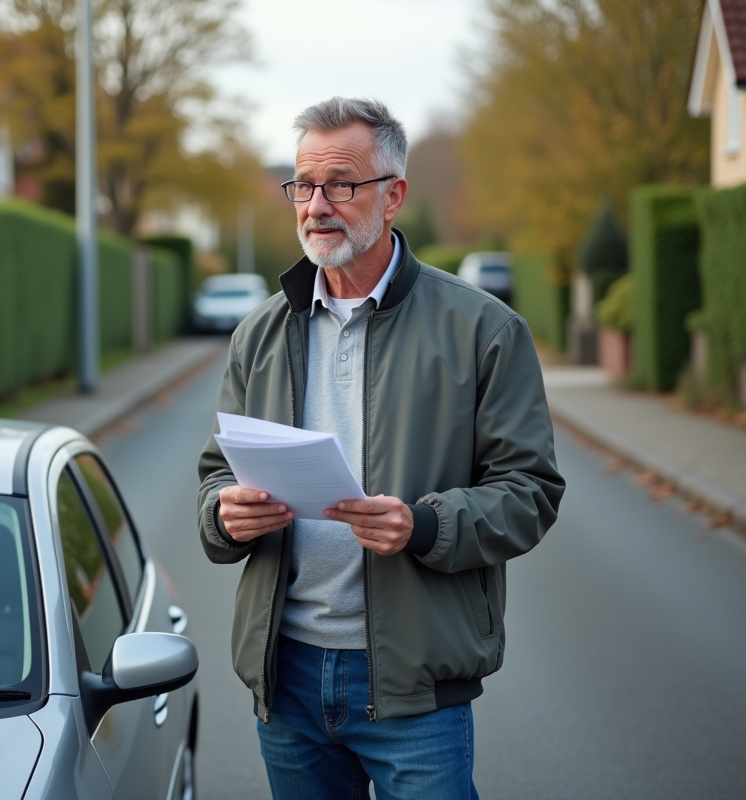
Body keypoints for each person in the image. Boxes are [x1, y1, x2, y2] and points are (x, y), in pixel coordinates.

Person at [196, 97, 566, 799]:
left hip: (411, 681)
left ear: (393, 195)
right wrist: (224, 516)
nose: (316, 204)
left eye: (341, 183)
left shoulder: (484, 329)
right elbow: (216, 474)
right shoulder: (260, 334)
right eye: (303, 185)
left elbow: (530, 491)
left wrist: (423, 525)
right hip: (289, 676)